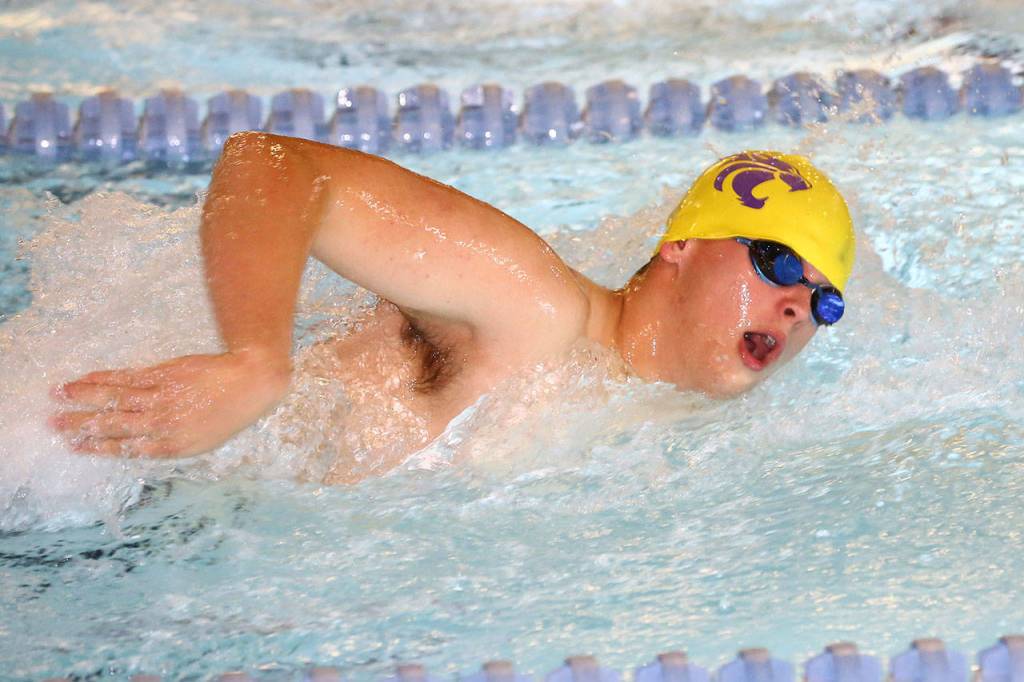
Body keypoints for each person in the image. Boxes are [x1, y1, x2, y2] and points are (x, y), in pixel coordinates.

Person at [49, 134, 855, 479]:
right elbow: (275, 165)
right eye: (778, 262)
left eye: (823, 303)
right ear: (679, 245)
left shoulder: (655, 422)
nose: (794, 307)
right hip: (109, 484)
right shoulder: (532, 307)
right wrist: (254, 359)